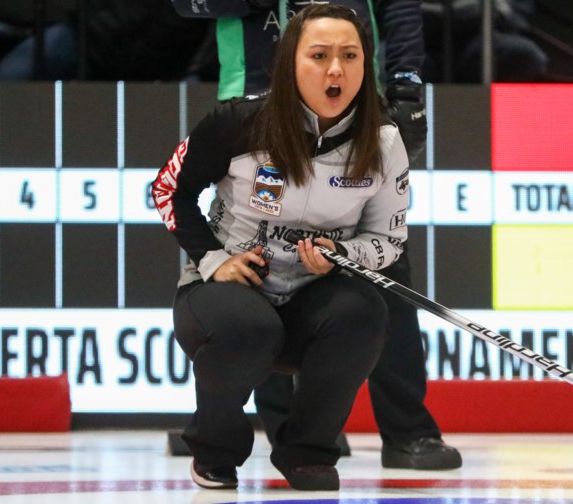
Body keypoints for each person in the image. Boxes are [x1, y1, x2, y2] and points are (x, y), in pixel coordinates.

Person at [171, 0, 462, 471]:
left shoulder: (377, 131)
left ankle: (405, 430)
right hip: (255, 94)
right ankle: (288, 437)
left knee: (379, 285)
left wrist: (406, 86)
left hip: (356, 105)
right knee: (252, 287)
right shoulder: (239, 121)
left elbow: (401, 9)